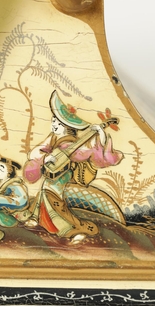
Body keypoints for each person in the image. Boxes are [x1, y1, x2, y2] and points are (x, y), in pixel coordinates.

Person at [23, 90, 124, 245]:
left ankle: (73, 230)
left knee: (52, 198)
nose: (53, 125)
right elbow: (37, 152)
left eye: (57, 124)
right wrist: (46, 158)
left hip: (63, 173)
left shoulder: (70, 143)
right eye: (53, 122)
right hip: (53, 171)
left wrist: (100, 133)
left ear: (66, 127)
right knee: (44, 192)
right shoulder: (53, 138)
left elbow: (89, 152)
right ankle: (38, 219)